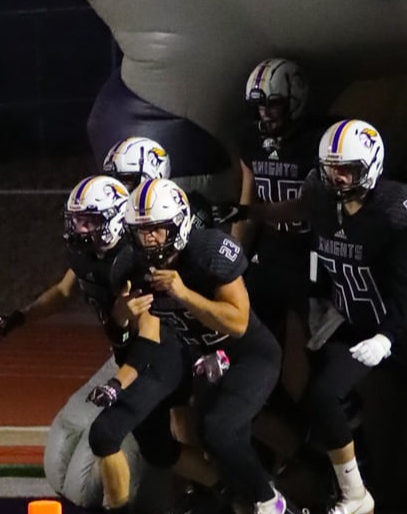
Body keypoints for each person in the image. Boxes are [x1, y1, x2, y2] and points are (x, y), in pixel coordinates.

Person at [247, 120, 407, 514]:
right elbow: (297, 208)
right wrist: (249, 210)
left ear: (372, 166)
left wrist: (388, 336)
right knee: (323, 394)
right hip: (358, 322)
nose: (337, 178)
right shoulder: (319, 194)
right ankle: (356, 493)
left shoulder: (396, 207)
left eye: (348, 169)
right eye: (331, 168)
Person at [0, 175, 198, 514]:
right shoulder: (91, 256)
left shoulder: (135, 261)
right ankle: (222, 486)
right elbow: (63, 292)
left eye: (89, 221)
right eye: (76, 221)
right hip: (132, 354)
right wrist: (21, 316)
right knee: (159, 448)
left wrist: (118, 384)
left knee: (108, 436)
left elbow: (148, 337)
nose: (80, 229)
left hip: (157, 358)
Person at [116, 177, 288, 514]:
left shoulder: (208, 249)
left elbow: (238, 323)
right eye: (140, 229)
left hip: (248, 354)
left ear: (179, 224)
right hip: (204, 357)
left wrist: (183, 294)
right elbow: (135, 330)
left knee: (220, 429)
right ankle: (249, 498)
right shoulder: (133, 267)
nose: (147, 238)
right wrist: (122, 315)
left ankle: (272, 503)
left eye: (157, 229)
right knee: (208, 437)